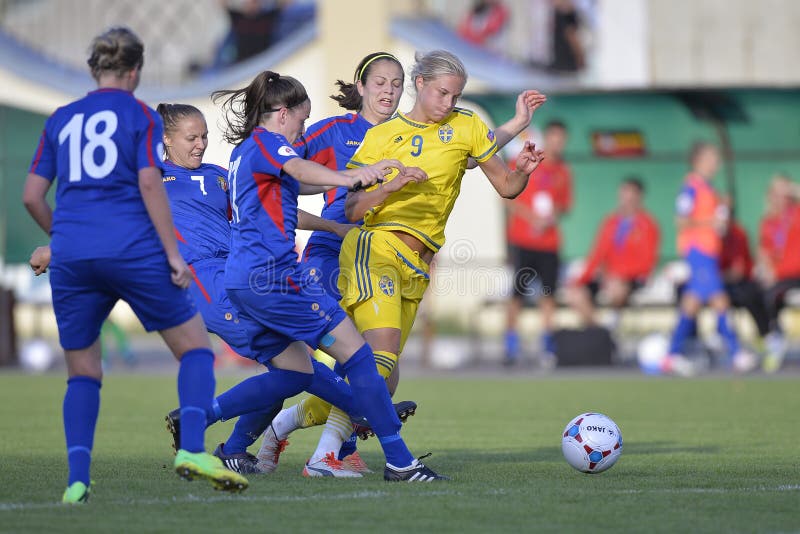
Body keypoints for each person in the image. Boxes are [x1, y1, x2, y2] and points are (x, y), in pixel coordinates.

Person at [253, 53, 546, 476]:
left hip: (417, 266)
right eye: (441, 92)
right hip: (375, 249)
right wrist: (392, 185)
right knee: (375, 360)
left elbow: (506, 186)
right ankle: (330, 454)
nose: (448, 102)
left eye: (456, 95)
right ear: (421, 83)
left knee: (380, 375)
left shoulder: (466, 128)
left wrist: (523, 169)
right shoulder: (380, 136)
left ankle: (285, 424)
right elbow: (351, 207)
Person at [22, 27, 248, 503]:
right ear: (135, 71)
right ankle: (191, 449)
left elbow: (31, 196)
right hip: (131, 251)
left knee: (83, 372)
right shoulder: (140, 115)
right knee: (194, 349)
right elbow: (149, 185)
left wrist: (60, 240)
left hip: (75, 258)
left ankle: (77, 481)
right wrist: (170, 254)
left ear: (92, 69)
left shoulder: (61, 118)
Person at [209, 69, 447, 481]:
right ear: (282, 113)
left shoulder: (245, 151)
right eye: (301, 118)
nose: (302, 128)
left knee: (296, 372)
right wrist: (351, 176)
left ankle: (205, 425)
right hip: (278, 278)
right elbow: (301, 170)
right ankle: (395, 458)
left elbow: (293, 186)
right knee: (360, 358)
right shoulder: (271, 143)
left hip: (249, 279)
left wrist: (371, 182)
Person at [665, 142, 747, 373]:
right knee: (720, 300)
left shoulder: (708, 188)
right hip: (698, 251)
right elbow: (681, 220)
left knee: (691, 304)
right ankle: (735, 352)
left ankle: (671, 354)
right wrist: (712, 221)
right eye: (712, 157)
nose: (716, 162)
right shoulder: (691, 187)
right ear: (699, 159)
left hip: (709, 252)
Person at [504, 119, 571, 365]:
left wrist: (552, 217)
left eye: (561, 138)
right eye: (553, 137)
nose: (557, 143)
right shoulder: (528, 161)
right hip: (523, 240)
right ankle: (510, 345)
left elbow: (564, 205)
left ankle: (547, 346)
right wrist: (531, 217)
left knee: (548, 294)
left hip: (549, 243)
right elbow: (507, 197)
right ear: (546, 138)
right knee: (516, 294)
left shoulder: (563, 171)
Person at [567, 177, 659, 329]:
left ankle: (612, 324)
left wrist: (619, 275)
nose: (626, 200)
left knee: (617, 288)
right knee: (575, 294)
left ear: (639, 197)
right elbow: (597, 255)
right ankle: (599, 331)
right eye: (623, 195)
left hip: (632, 278)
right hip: (608, 278)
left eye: (630, 195)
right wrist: (579, 280)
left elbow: (647, 262)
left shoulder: (648, 225)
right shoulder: (610, 223)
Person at [757, 174, 800, 372]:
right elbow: (764, 251)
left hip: (795, 274)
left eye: (784, 192)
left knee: (773, 293)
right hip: (781, 277)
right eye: (775, 193)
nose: (779, 197)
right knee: (761, 295)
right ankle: (776, 337)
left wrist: (793, 190)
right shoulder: (768, 222)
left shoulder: (796, 213)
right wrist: (766, 269)